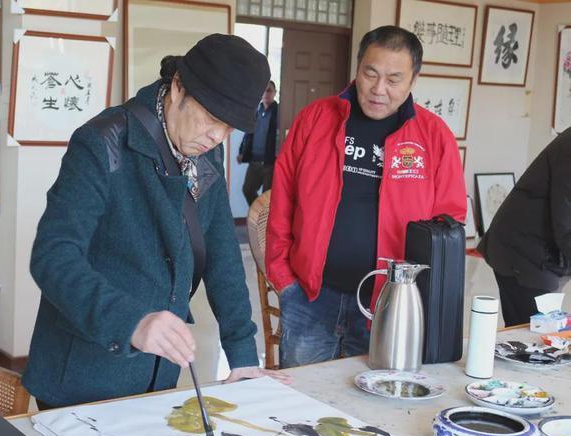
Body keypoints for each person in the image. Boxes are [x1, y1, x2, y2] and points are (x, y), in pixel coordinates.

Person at [22, 34, 289, 409]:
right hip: (83, 376)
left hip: (157, 378)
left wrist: (243, 355)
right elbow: (53, 257)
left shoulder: (206, 154)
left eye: (229, 129)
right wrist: (132, 321)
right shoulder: (103, 143)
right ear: (178, 86)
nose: (217, 137)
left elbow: (222, 257)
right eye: (212, 119)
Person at [265, 25, 466, 368]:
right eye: (370, 74)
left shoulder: (435, 138)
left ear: (413, 80)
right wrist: (285, 280)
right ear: (357, 69)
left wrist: (419, 297)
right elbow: (282, 200)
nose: (378, 89)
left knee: (373, 410)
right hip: (311, 296)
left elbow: (449, 224)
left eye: (393, 79)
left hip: (389, 305)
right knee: (299, 404)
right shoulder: (316, 119)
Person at [477, 128, 571, 326]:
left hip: (548, 254)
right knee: (534, 340)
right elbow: (566, 222)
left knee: (545, 335)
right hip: (524, 251)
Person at [238, 81, 279, 205]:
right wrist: (241, 152)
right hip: (254, 161)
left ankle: (263, 221)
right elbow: (247, 135)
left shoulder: (279, 112)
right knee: (247, 190)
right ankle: (259, 215)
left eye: (269, 90)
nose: (266, 93)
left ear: (275, 93)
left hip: (269, 163)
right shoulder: (256, 112)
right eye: (264, 90)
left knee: (267, 197)